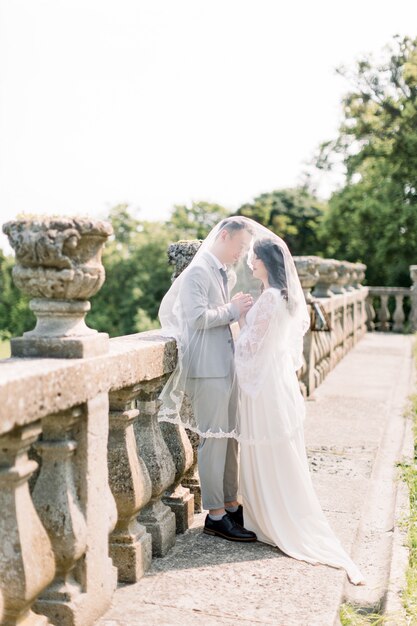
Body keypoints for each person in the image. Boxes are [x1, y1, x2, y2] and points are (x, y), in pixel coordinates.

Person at [158, 217, 258, 541]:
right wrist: (231, 309)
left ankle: (231, 505)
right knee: (213, 442)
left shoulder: (221, 272)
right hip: (207, 370)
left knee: (231, 440)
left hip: (225, 367)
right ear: (224, 236)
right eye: (239, 246)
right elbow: (197, 318)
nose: (241, 254)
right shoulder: (197, 272)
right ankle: (215, 515)